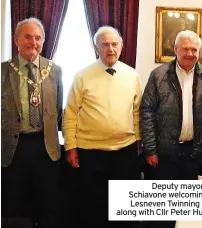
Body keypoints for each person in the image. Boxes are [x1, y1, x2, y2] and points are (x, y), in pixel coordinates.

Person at [141, 30, 202, 228]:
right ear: (175, 49)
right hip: (164, 154)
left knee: (191, 208)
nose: (190, 53)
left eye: (194, 49)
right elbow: (147, 112)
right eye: (185, 48)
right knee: (163, 210)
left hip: (195, 153)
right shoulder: (158, 75)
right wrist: (150, 149)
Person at [62, 26, 142, 228]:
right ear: (96, 47)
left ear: (121, 46)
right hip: (91, 153)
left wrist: (140, 141)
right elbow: (70, 113)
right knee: (93, 208)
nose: (110, 49)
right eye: (105, 44)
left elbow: (137, 111)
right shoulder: (82, 76)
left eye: (115, 44)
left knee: (124, 210)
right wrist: (71, 146)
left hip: (125, 151)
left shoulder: (132, 75)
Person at [1, 17, 63, 227]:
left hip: (45, 146)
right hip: (12, 147)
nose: (33, 42)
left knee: (47, 203)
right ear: (16, 39)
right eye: (27, 37)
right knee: (14, 202)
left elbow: (57, 109)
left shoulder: (54, 70)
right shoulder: (3, 71)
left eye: (38, 38)